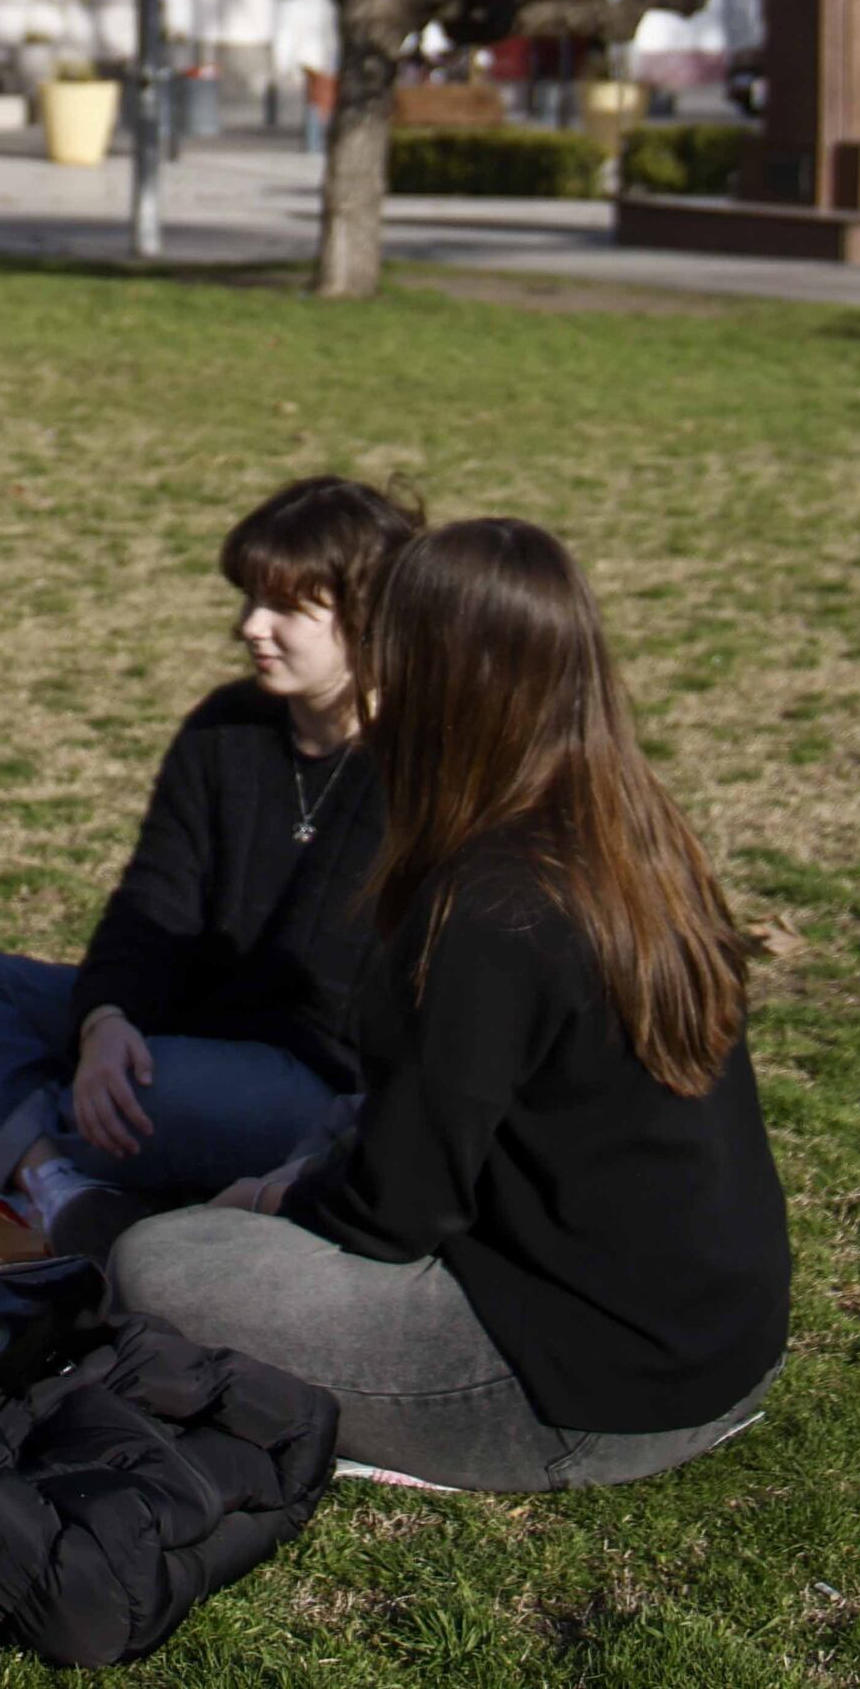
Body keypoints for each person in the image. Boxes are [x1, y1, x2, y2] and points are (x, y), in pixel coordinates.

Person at [109, 515, 791, 1495]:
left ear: (434, 675)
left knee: (160, 1257)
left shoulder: (491, 903)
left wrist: (269, 1198)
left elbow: (394, 1211)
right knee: (280, 1172)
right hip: (715, 1347)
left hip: (576, 1391)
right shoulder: (635, 829)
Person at [0, 476, 418, 1246]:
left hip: (312, 1073)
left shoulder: (418, 766)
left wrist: (125, 1051)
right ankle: (59, 1181)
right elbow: (152, 903)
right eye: (247, 599)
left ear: (368, 618)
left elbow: (329, 999)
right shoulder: (226, 726)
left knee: (128, 1096)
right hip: (176, 1024)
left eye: (286, 608)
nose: (250, 626)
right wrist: (106, 1020)